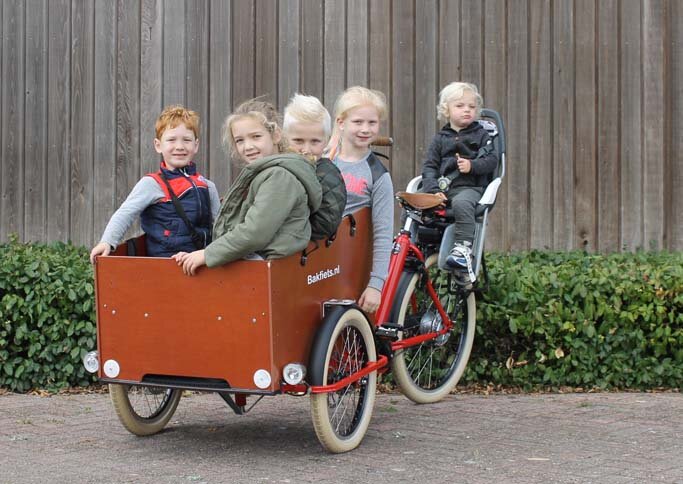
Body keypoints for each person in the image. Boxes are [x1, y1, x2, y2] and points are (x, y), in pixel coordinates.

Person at [172, 98, 322, 275]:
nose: (248, 146)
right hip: (254, 259)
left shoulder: (280, 177)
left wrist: (207, 254)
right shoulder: (264, 173)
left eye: (256, 136)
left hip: (266, 267)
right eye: (240, 140)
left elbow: (256, 232)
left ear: (275, 135)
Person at [89, 105, 220, 263]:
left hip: (201, 263)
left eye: (186, 140)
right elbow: (125, 213)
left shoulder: (207, 186)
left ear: (196, 145)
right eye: (171, 140)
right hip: (166, 265)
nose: (179, 146)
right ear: (158, 145)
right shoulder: (152, 184)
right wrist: (107, 241)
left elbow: (220, 225)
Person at [421, 82, 497, 282]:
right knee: (413, 202)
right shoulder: (440, 139)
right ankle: (412, 246)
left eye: (471, 107)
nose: (467, 110)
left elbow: (492, 161)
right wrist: (433, 189)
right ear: (446, 109)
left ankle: (463, 249)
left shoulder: (481, 135)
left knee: (462, 203)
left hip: (469, 188)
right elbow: (429, 167)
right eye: (460, 106)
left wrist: (472, 166)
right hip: (443, 190)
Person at [327, 86, 394, 314]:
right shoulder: (326, 161)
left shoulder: (378, 175)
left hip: (349, 262)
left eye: (372, 123)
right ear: (341, 122)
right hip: (320, 257)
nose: (365, 129)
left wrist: (376, 285)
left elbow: (383, 234)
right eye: (358, 122)